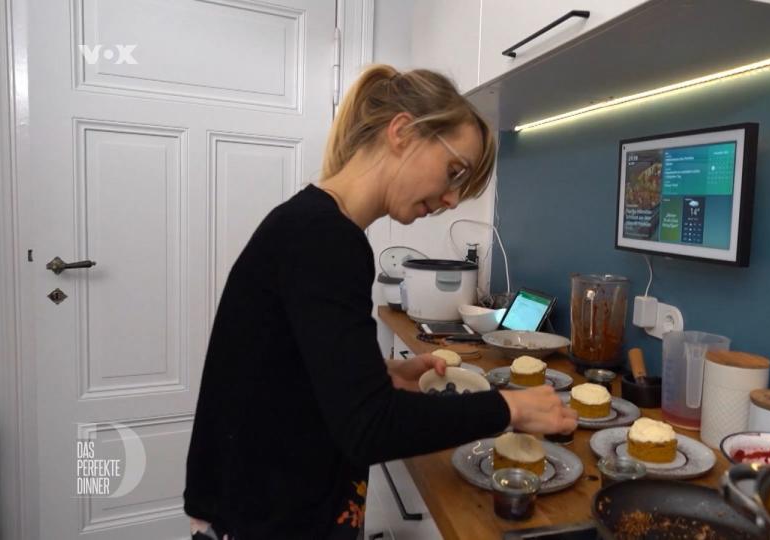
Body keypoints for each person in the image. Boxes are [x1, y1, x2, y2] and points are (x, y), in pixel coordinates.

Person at [183, 64, 578, 540]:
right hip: (270, 516)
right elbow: (369, 428)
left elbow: (286, 367)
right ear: (402, 132)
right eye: (454, 172)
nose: (453, 199)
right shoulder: (326, 238)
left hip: (254, 500)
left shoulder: (312, 224)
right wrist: (508, 408)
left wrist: (379, 377)